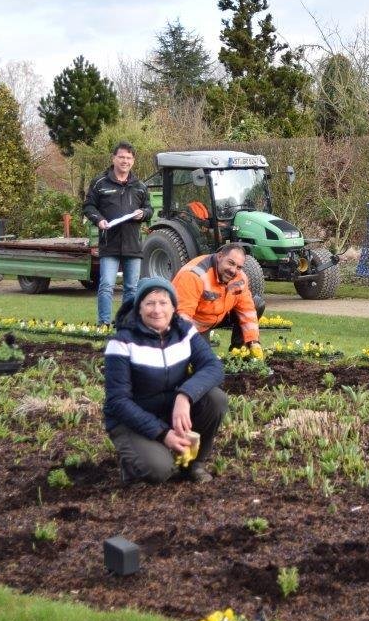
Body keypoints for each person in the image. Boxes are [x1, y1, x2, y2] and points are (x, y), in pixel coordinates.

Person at [104, 276, 227, 484]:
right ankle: (132, 463)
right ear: (139, 308)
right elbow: (118, 402)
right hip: (131, 421)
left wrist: (185, 396)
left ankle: (193, 464)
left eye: (163, 303)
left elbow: (213, 367)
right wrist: (163, 433)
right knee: (160, 471)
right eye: (149, 303)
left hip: (171, 411)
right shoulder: (122, 342)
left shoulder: (184, 331)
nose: (157, 310)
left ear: (173, 307)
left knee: (216, 399)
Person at [83, 142, 154, 326]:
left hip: (133, 244)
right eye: (121, 157)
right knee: (106, 285)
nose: (125, 161)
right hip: (109, 243)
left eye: (129, 158)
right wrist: (98, 220)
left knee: (131, 288)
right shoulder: (100, 183)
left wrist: (143, 214)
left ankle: (124, 324)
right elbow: (88, 206)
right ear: (113, 158)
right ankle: (103, 323)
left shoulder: (140, 186)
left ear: (133, 161)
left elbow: (149, 209)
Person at [171, 243, 263, 356]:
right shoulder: (194, 275)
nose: (233, 270)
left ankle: (239, 352)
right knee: (202, 361)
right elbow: (182, 317)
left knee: (257, 303)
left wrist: (253, 341)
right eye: (231, 263)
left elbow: (247, 310)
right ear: (220, 256)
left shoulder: (239, 277)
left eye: (239, 267)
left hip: (219, 315)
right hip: (195, 323)